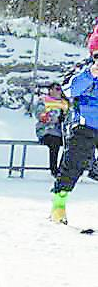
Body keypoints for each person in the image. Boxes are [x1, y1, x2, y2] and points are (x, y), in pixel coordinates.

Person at [51, 22, 98, 223]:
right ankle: (58, 206)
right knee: (72, 165)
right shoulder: (83, 68)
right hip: (85, 125)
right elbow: (69, 91)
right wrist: (90, 75)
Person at [34, 82, 68, 177]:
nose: (59, 91)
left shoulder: (65, 103)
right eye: (57, 89)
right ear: (50, 90)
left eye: (60, 89)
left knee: (71, 144)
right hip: (47, 131)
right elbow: (40, 115)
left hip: (62, 132)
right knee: (54, 142)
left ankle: (64, 169)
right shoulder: (44, 101)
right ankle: (54, 169)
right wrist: (55, 118)